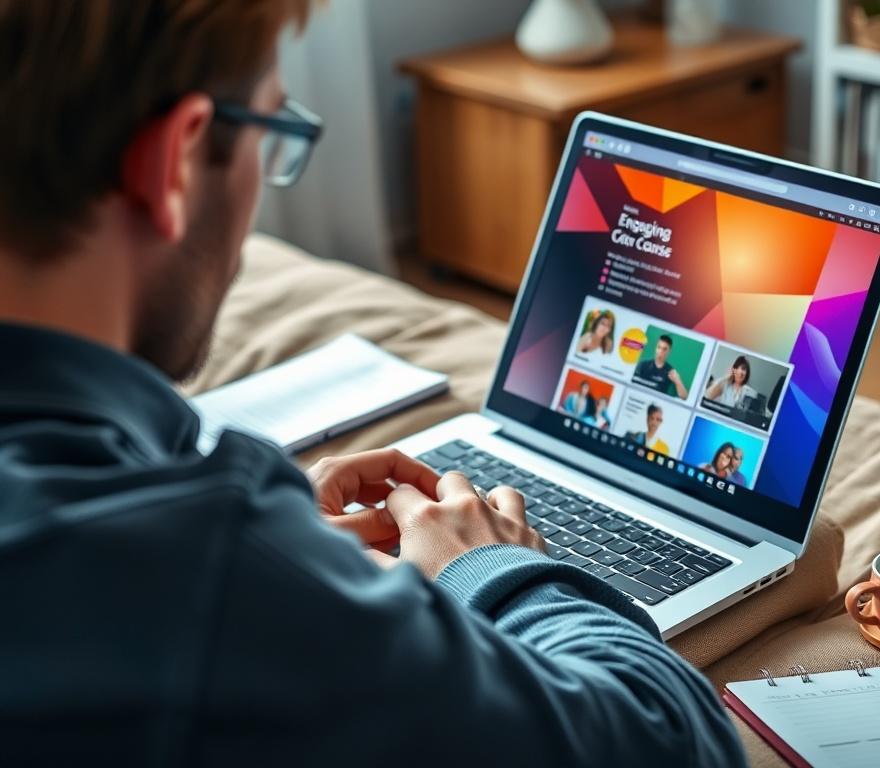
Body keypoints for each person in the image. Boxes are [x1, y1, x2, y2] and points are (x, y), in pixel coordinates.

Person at [0, 3, 745, 765]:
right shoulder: (201, 567)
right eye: (271, 132)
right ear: (178, 161)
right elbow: (675, 744)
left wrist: (291, 558)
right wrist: (490, 567)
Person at [633, 334, 688, 399]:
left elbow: (684, 397)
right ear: (655, 348)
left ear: (669, 351)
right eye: (659, 347)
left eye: (664, 349)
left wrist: (678, 381)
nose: (660, 351)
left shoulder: (670, 371)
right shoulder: (643, 365)